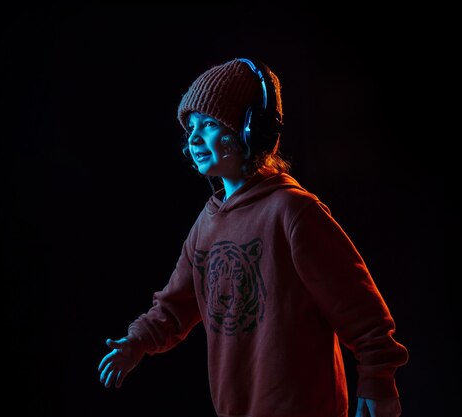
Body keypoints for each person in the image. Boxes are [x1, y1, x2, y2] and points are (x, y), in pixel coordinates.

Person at [97, 57, 409, 417]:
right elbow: (173, 308)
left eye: (210, 124)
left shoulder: (293, 212)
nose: (195, 137)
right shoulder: (206, 223)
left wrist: (378, 377)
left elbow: (358, 305)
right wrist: (135, 343)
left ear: (250, 132)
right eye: (191, 126)